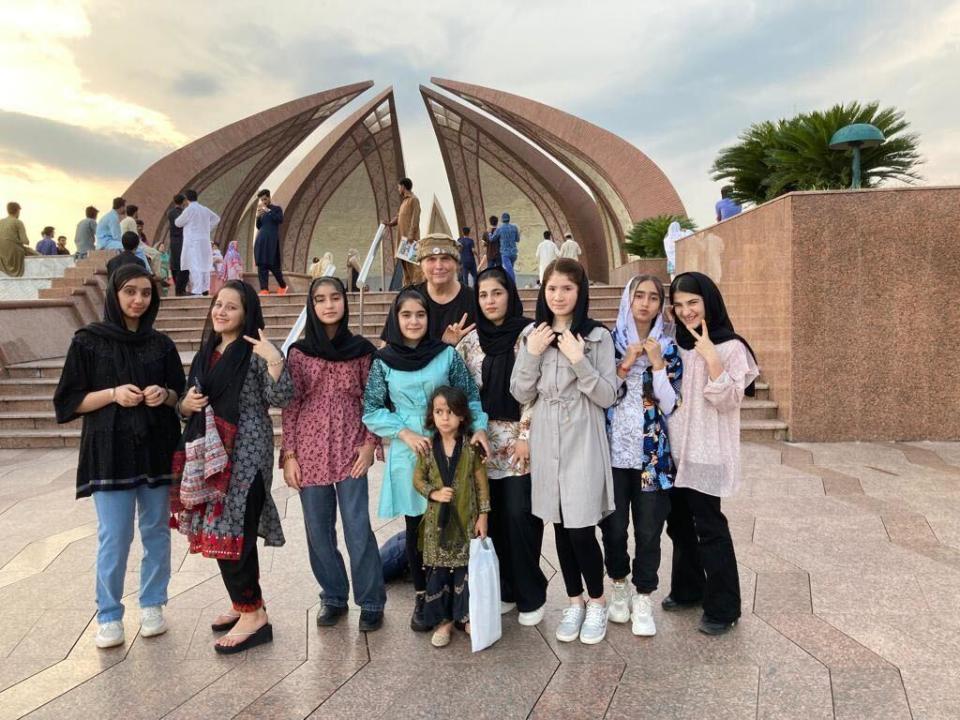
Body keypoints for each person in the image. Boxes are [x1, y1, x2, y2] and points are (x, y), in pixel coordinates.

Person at [53, 264, 185, 648]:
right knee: (115, 536)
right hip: (109, 451)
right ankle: (108, 614)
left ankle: (153, 603)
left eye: (145, 293)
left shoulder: (161, 344)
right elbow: (69, 402)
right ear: (114, 294)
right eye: (130, 292)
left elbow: (180, 395)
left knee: (157, 531)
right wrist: (113, 394)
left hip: (155, 449)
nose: (138, 300)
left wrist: (165, 395)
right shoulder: (88, 341)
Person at [170, 280, 293, 653]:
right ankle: (246, 603)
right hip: (210, 457)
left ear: (247, 314)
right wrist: (184, 407)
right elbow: (189, 404)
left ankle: (253, 615)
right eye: (218, 304)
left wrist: (275, 358)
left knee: (231, 534)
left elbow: (281, 397)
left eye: (231, 307)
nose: (221, 312)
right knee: (221, 532)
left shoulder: (255, 352)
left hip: (245, 456)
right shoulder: (207, 352)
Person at [363, 288, 489, 633]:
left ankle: (457, 600)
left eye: (420, 314)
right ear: (396, 319)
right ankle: (424, 597)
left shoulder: (446, 356)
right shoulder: (383, 361)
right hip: (411, 454)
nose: (414, 321)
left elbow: (470, 398)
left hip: (450, 448)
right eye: (407, 315)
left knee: (454, 521)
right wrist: (403, 433)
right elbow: (371, 409)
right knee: (417, 528)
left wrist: (477, 428)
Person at [510, 258, 616, 645]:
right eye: (552, 288)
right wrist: (533, 353)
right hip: (545, 438)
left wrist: (578, 359)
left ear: (580, 291)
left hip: (582, 435)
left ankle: (598, 602)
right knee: (558, 524)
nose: (558, 296)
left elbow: (607, 395)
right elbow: (520, 393)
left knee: (582, 527)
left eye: (567, 288)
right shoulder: (532, 335)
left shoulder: (598, 337)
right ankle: (574, 602)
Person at [282, 276, 386, 632]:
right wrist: (290, 454)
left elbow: (373, 400)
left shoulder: (361, 350)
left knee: (358, 528)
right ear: (311, 306)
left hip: (350, 447)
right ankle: (333, 596)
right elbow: (291, 406)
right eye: (320, 299)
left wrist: (371, 443)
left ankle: (371, 600)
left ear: (344, 302)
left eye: (335, 298)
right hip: (309, 453)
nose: (329, 305)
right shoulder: (298, 352)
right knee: (318, 530)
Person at [664, 271, 759, 636]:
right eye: (680, 304)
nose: (687, 311)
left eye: (693, 302)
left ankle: (723, 607)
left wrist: (711, 359)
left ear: (708, 302)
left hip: (707, 450)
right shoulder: (674, 342)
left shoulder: (730, 346)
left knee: (709, 527)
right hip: (674, 450)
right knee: (679, 525)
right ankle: (688, 590)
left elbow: (730, 400)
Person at [456, 267, 547, 626]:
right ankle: (506, 589)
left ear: (510, 294)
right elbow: (459, 390)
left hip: (518, 442)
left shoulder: (529, 334)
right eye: (483, 295)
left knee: (519, 515)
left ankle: (531, 593)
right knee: (489, 520)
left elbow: (537, 388)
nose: (490, 301)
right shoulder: (470, 342)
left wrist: (526, 435)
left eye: (497, 293)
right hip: (480, 442)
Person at [599, 275, 682, 637]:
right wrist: (626, 362)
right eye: (639, 296)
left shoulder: (668, 348)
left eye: (653, 297)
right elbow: (600, 395)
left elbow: (670, 403)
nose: (645, 303)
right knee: (614, 528)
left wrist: (657, 364)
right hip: (612, 454)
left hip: (652, 458)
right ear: (628, 300)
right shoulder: (609, 344)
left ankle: (644, 595)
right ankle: (618, 584)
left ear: (661, 305)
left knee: (649, 531)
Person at [413, 386, 490, 648]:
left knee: (464, 571)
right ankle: (444, 621)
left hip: (465, 520)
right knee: (439, 573)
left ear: (461, 416)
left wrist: (483, 517)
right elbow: (417, 480)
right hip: (437, 525)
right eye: (438, 411)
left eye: (450, 412)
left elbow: (481, 485)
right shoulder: (426, 448)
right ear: (431, 415)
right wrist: (432, 493)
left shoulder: (471, 448)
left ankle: (465, 617)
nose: (444, 418)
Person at [412, 234, 477, 345]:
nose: (439, 266)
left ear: (457, 264)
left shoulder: (474, 300)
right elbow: (390, 346)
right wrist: (445, 345)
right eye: (431, 259)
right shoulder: (408, 298)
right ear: (421, 266)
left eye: (445, 259)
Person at [175, 189, 219, 296]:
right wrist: (207, 229)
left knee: (195, 264)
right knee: (205, 264)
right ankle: (205, 288)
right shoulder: (204, 209)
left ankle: (197, 289)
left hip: (193, 242)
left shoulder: (189, 209)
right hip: (204, 240)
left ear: (186, 199)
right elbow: (216, 218)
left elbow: (178, 223)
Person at [383, 178, 421, 288]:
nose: (398, 189)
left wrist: (411, 235)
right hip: (402, 238)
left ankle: (416, 285)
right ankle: (407, 285)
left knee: (412, 263)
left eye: (399, 187)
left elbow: (416, 218)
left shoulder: (414, 200)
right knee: (404, 262)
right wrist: (389, 223)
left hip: (410, 239)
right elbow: (399, 217)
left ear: (403, 187)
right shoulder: (404, 201)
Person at [254, 189, 288, 296]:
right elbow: (259, 226)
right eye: (262, 200)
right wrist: (258, 217)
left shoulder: (276, 209)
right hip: (261, 239)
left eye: (265, 199)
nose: (263, 201)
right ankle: (264, 289)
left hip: (271, 240)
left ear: (269, 198)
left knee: (272, 265)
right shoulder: (261, 211)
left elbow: (279, 219)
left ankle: (283, 286)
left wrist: (268, 211)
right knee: (261, 264)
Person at [0, 202, 34, 277]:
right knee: (34, 253)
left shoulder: (1, 221)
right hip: (14, 253)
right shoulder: (18, 222)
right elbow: (26, 241)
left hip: (1, 254)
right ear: (18, 211)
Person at [167, 194, 188, 295]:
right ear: (183, 201)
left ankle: (180, 289)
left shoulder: (172, 212)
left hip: (176, 241)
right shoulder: (180, 213)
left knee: (178, 265)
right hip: (180, 241)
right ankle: (180, 290)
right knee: (182, 265)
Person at [490, 212, 520, 281]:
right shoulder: (514, 228)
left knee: (509, 270)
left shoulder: (500, 229)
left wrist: (489, 233)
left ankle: (513, 286)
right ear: (509, 219)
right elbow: (517, 239)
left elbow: (492, 239)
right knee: (510, 269)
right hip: (514, 253)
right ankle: (508, 284)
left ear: (502, 220)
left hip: (505, 253)